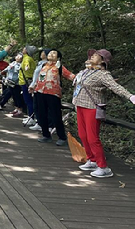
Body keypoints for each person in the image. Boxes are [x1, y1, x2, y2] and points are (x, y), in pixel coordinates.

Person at [72, 49, 135, 178]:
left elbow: (115, 87)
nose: (92, 56)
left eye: (96, 55)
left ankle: (103, 167)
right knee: (83, 135)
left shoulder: (103, 74)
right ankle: (92, 160)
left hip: (92, 107)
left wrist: (130, 96)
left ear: (103, 61)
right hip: (80, 105)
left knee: (92, 138)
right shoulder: (86, 71)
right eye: (93, 55)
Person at [29, 49, 75, 145]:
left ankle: (62, 137)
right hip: (40, 92)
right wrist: (33, 87)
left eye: (54, 53)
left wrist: (81, 79)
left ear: (58, 57)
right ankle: (46, 135)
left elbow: (71, 76)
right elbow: (39, 79)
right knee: (41, 115)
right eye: (50, 52)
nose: (51, 54)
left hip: (53, 94)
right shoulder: (43, 66)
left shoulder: (59, 67)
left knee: (55, 115)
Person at [27, 48, 50, 129]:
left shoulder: (46, 65)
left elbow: (41, 77)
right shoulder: (40, 63)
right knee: (36, 106)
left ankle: (42, 124)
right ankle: (39, 122)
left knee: (40, 106)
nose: (41, 53)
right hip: (36, 87)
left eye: (43, 52)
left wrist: (34, 85)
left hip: (41, 88)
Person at [20, 45, 37, 118]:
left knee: (28, 100)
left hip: (25, 82)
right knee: (29, 100)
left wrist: (27, 67)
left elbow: (27, 66)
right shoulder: (29, 58)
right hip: (27, 81)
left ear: (27, 51)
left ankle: (31, 117)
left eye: (24, 48)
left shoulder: (27, 58)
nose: (23, 49)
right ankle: (30, 116)